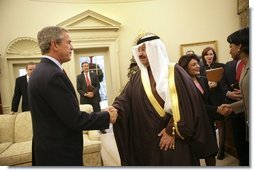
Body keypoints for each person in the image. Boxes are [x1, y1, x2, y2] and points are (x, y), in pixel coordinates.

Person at [112, 33, 218, 166]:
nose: (140, 54)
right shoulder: (137, 77)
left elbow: (188, 105)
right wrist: (115, 109)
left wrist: (171, 130)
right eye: (138, 50)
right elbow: (124, 100)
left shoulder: (175, 72)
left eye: (144, 49)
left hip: (174, 140)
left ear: (155, 49)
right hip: (148, 141)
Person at [28, 26, 117, 166]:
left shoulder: (40, 70)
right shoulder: (53, 75)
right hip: (59, 153)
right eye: (68, 42)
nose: (72, 47)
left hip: (48, 148)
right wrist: (107, 116)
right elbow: (75, 120)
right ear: (54, 44)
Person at [178, 54, 231, 166]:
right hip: (193, 124)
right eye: (193, 64)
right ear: (185, 67)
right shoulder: (182, 86)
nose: (198, 66)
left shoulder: (203, 80)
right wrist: (216, 109)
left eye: (198, 63)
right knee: (193, 155)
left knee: (210, 153)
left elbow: (208, 102)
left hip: (207, 123)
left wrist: (218, 109)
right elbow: (196, 106)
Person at [220, 27, 249, 166]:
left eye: (231, 46)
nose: (229, 50)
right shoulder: (246, 66)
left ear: (240, 47)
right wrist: (231, 106)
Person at [201, 47, 226, 160]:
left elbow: (225, 82)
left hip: (218, 98)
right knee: (209, 125)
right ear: (203, 56)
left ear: (214, 55)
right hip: (207, 100)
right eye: (206, 54)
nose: (209, 56)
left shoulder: (221, 66)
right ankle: (212, 148)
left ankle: (221, 150)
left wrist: (217, 83)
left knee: (221, 124)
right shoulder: (201, 68)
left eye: (211, 54)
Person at [77, 61, 106, 134]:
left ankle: (101, 128)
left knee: (98, 113)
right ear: (82, 68)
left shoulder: (94, 75)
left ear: (88, 67)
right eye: (84, 66)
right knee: (87, 115)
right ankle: (90, 130)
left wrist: (93, 93)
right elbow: (79, 89)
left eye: (87, 66)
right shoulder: (79, 77)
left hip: (95, 97)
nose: (86, 67)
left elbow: (98, 86)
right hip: (85, 99)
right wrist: (85, 94)